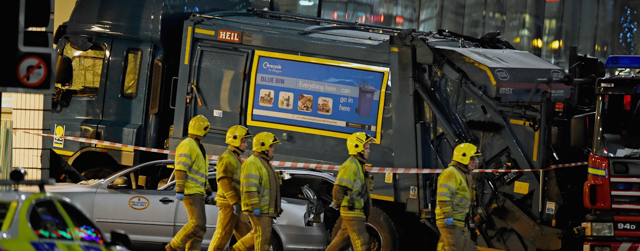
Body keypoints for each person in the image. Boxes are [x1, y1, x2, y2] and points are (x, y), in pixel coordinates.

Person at [166, 115, 214, 251]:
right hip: (190, 191)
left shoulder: (198, 146)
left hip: (198, 192)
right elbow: (181, 167)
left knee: (200, 229)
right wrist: (180, 189)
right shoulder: (188, 144)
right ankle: (173, 247)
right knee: (197, 223)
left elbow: (202, 172)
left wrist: (208, 191)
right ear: (203, 129)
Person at [229, 132, 282, 251]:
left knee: (257, 235)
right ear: (263, 146)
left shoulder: (264, 163)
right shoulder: (253, 162)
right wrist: (255, 206)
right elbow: (250, 187)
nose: (273, 149)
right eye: (271, 146)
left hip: (264, 209)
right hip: (260, 209)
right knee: (263, 240)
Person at [326, 132, 374, 251]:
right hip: (352, 210)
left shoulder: (359, 165)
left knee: (341, 242)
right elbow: (338, 188)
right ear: (357, 147)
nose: (369, 150)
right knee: (362, 242)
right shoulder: (350, 165)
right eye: (366, 147)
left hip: (355, 210)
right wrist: (340, 204)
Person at [208, 125, 254, 251]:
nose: (245, 145)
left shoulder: (236, 158)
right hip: (229, 204)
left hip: (236, 204)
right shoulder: (227, 157)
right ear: (234, 140)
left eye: (245, 141)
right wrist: (234, 202)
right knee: (222, 234)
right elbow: (224, 180)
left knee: (248, 238)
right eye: (243, 141)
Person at [435, 143, 481, 251]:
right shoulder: (451, 173)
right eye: (472, 159)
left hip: (459, 221)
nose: (476, 162)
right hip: (451, 221)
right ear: (463, 157)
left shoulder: (464, 174)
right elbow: (443, 197)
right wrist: (448, 215)